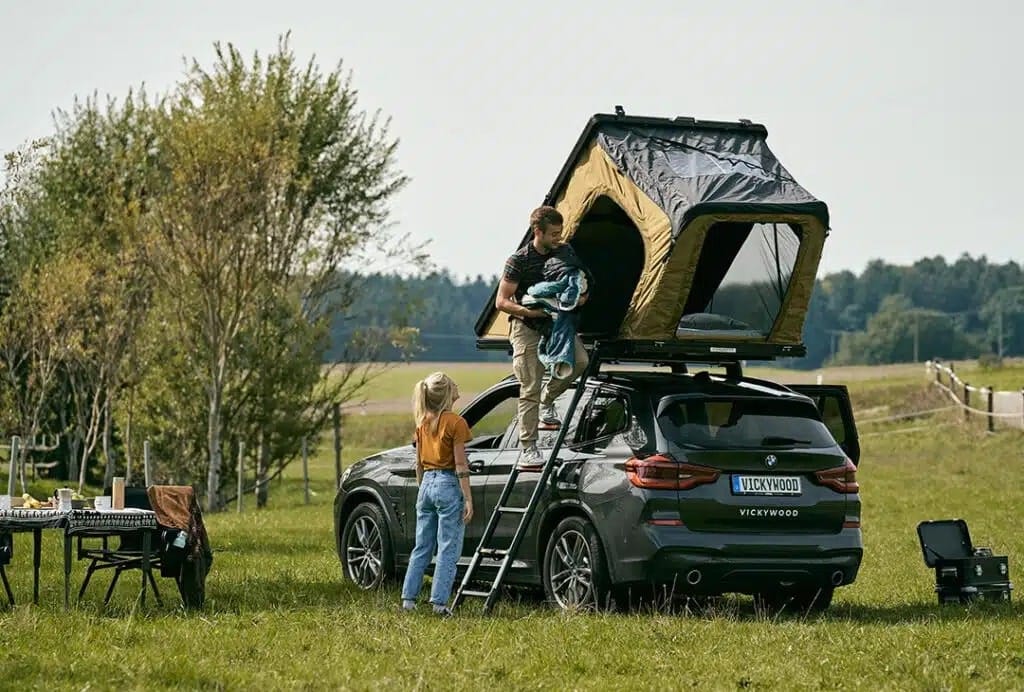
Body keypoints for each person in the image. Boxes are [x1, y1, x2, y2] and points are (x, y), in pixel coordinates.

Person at [496, 206, 592, 469]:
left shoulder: (564, 253)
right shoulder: (519, 261)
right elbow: (501, 302)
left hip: (557, 324)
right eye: (552, 234)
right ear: (537, 231)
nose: (557, 238)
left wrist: (580, 297)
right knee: (529, 388)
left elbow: (580, 285)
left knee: (581, 361)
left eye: (560, 233)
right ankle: (528, 447)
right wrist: (530, 311)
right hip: (526, 327)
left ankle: (548, 400)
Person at [401, 371, 474, 616]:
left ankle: (408, 600)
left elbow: (418, 464)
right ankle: (439, 603)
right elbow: (461, 465)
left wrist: (423, 490)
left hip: (427, 485)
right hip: (447, 484)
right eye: (453, 382)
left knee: (422, 546)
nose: (457, 384)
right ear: (446, 392)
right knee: (448, 547)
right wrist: (468, 498)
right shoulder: (455, 422)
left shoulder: (422, 423)